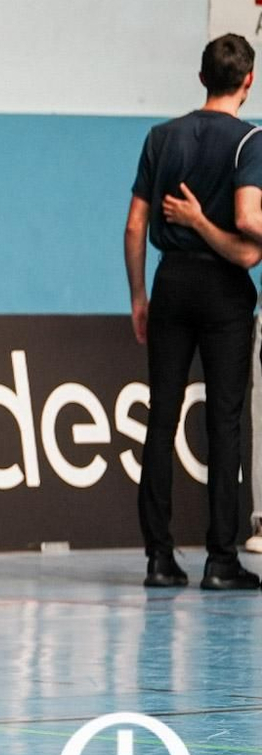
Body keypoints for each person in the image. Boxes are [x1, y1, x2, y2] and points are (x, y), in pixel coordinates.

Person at [129, 33, 262, 591]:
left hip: (171, 284)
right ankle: (220, 559)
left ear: (201, 77)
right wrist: (214, 229)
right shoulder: (249, 141)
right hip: (224, 290)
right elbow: (250, 225)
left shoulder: (162, 137)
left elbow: (136, 226)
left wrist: (139, 296)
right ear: (248, 81)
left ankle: (159, 557)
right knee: (224, 421)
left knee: (161, 416)